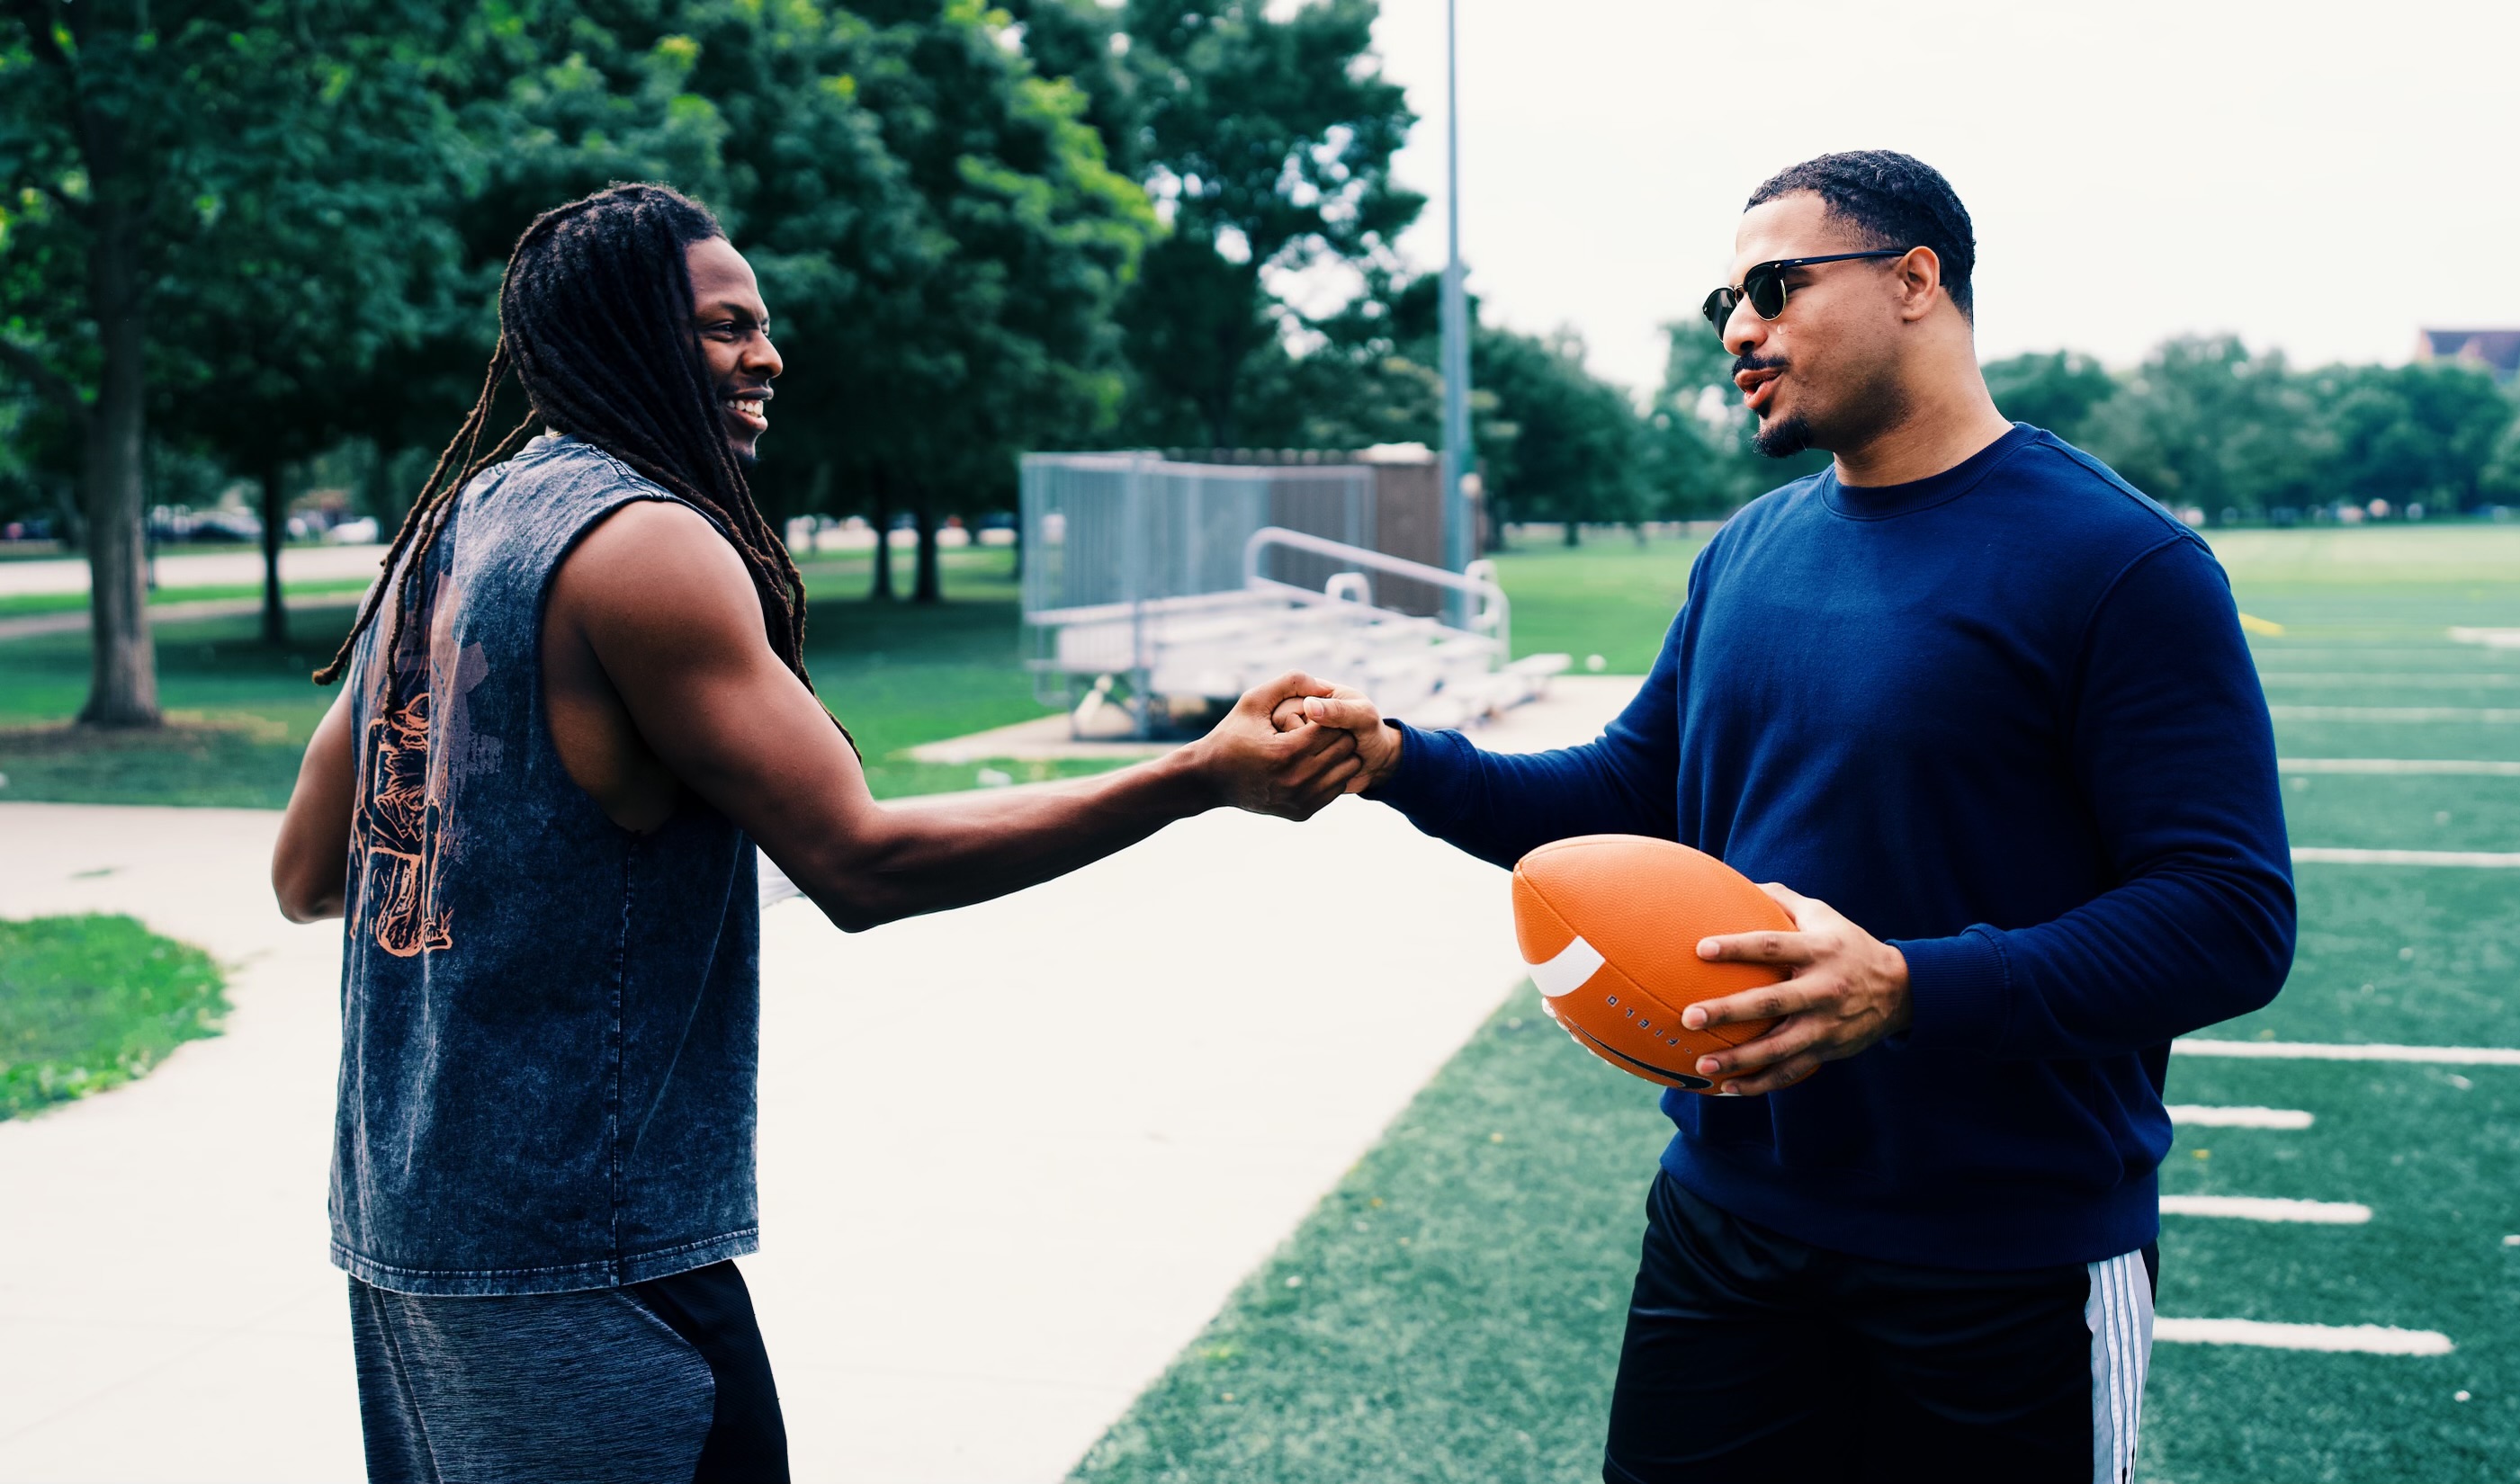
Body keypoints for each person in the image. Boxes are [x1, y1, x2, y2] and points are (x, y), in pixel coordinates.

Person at [268, 183, 1358, 1482]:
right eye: (726, 325)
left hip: (414, 1244)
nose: (767, 353)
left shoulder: (447, 533)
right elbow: (861, 859)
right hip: (595, 1263)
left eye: (761, 325)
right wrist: (1196, 775)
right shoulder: (643, 545)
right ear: (625, 334)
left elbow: (306, 869)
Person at [1287, 151, 2295, 1482]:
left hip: (2009, 1259)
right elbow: (1626, 799)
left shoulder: (2123, 564)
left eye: (1773, 286)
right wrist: (1401, 759)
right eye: (1723, 303)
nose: (1738, 331)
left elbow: (2228, 914)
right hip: (1729, 1228)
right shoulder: (1750, 549)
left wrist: (1907, 987)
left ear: (1916, 281)